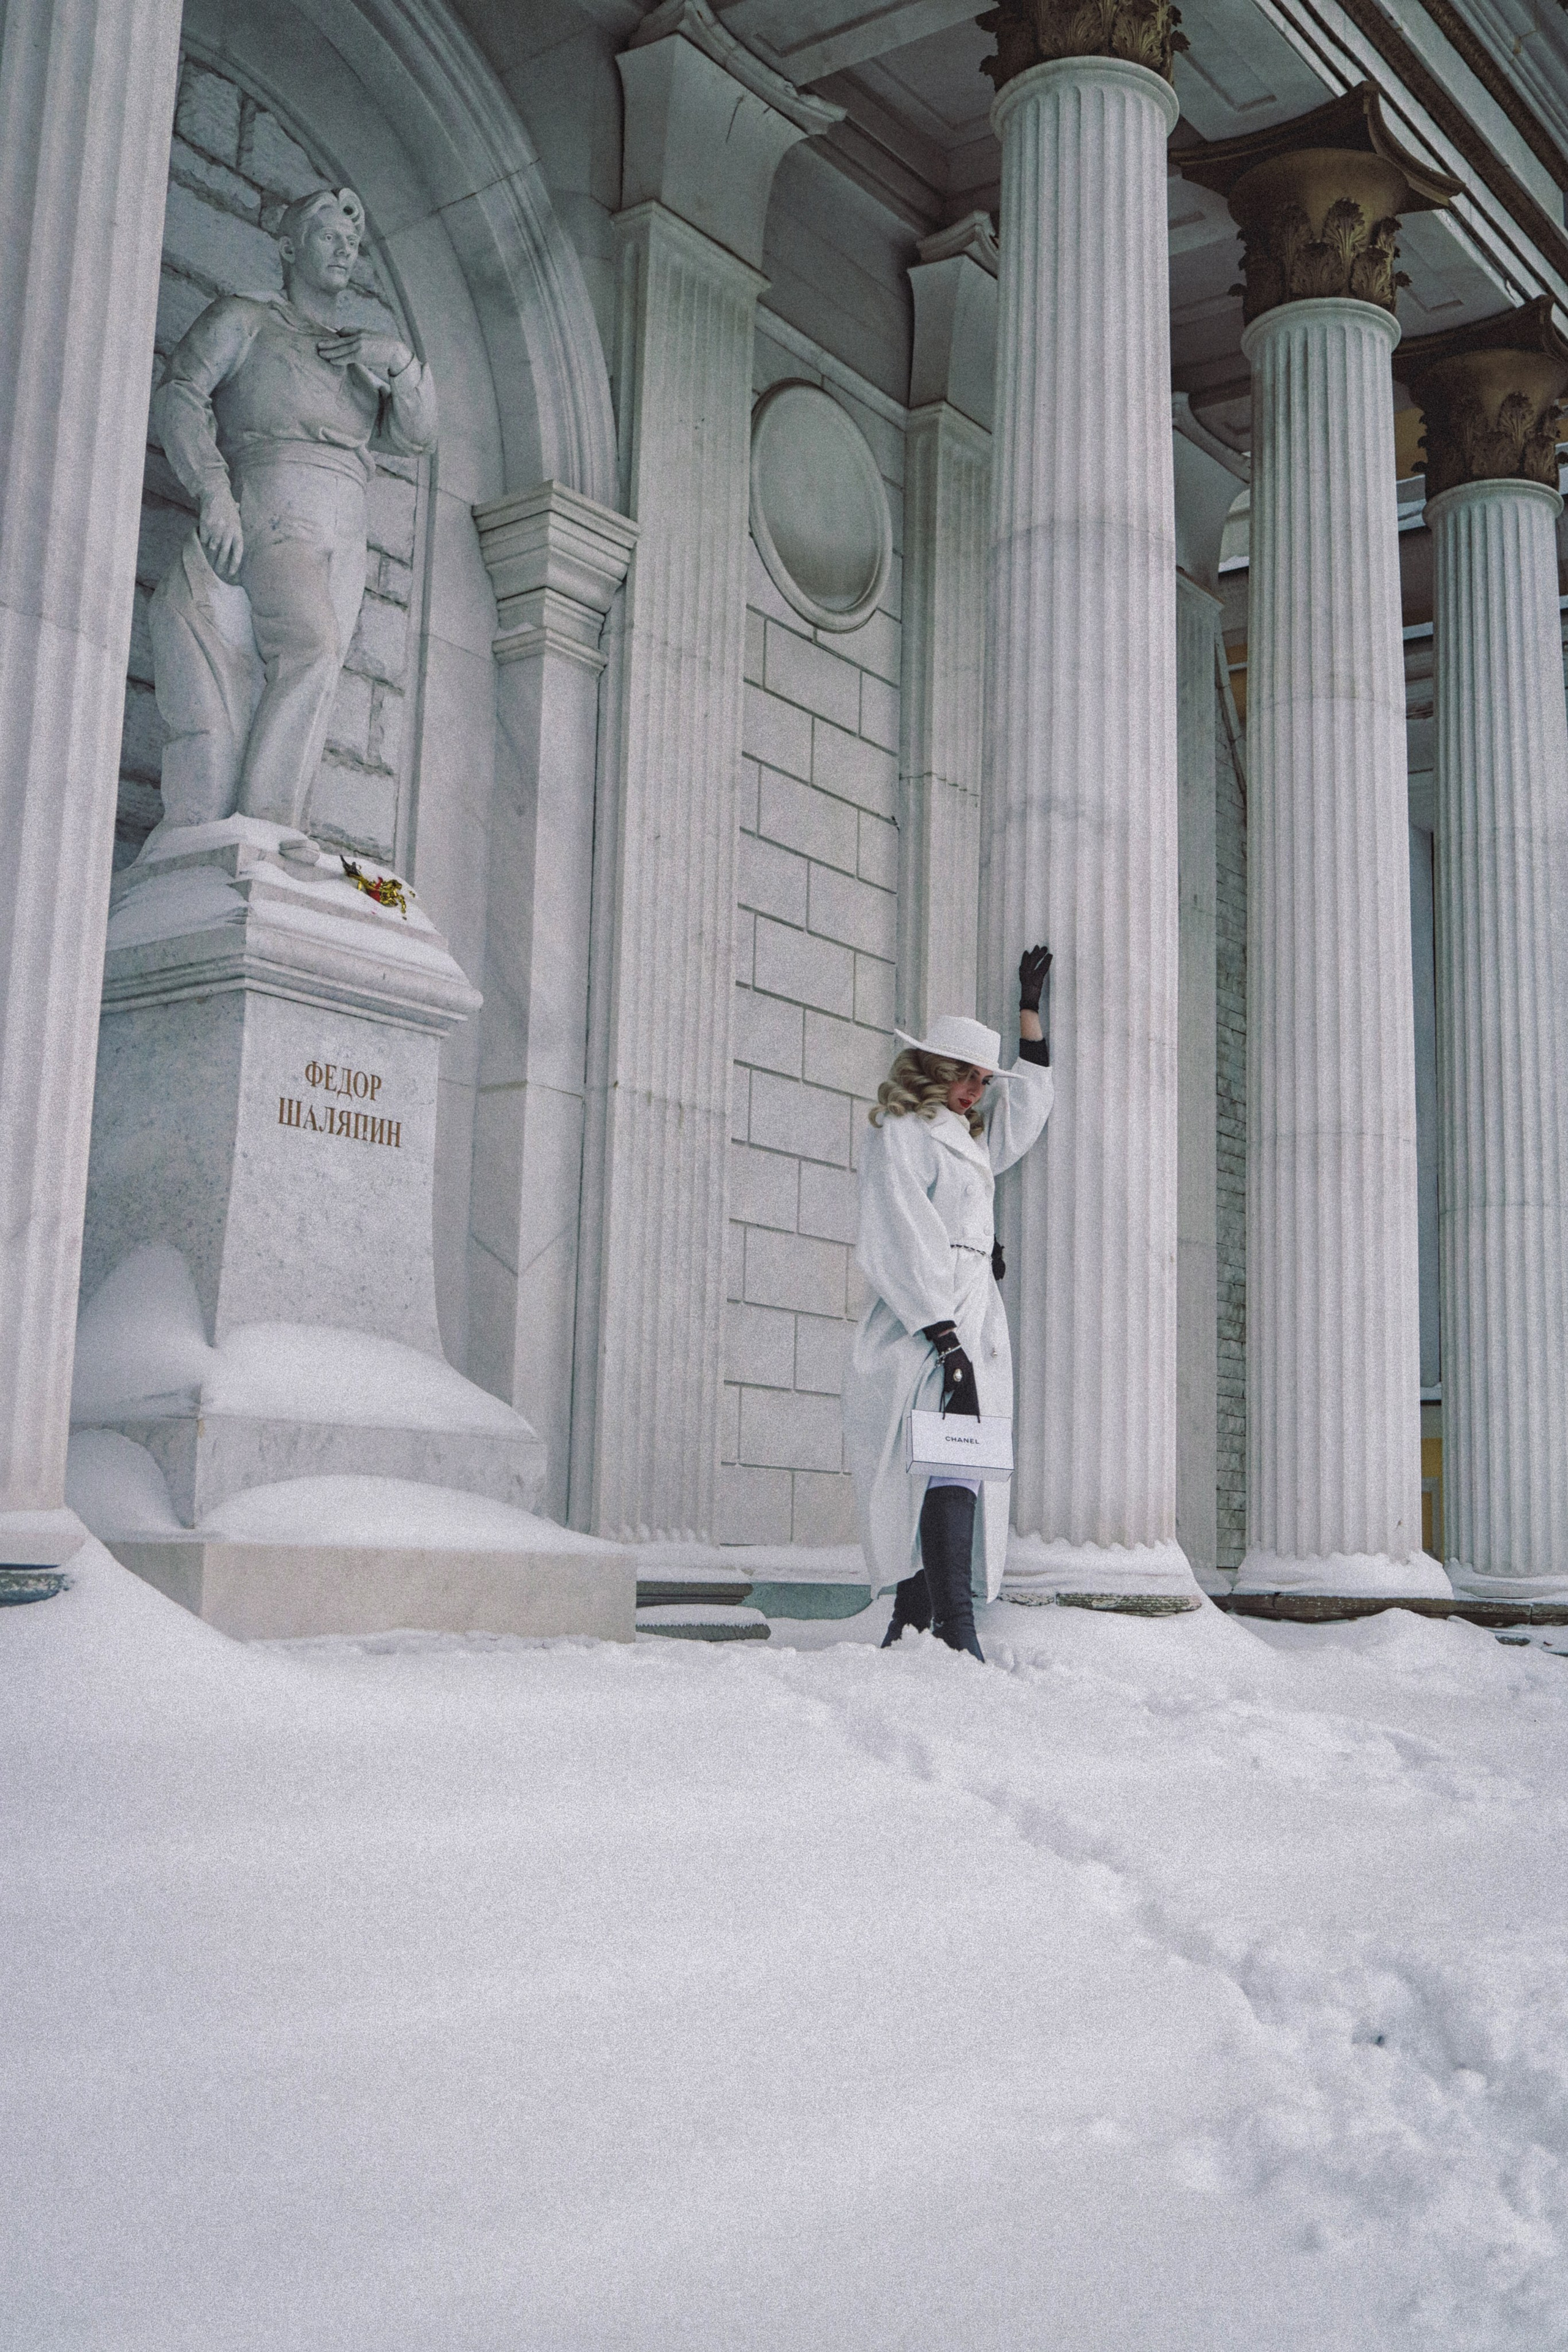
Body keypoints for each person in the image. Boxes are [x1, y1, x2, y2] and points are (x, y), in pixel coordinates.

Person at [149, 186, 438, 835]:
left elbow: (416, 436)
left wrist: (397, 360)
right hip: (276, 506)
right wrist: (213, 491)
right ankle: (267, 827)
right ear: (288, 247)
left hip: (345, 524)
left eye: (352, 244)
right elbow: (182, 393)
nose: (344, 251)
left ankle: (279, 825)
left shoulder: (358, 357)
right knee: (313, 645)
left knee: (322, 667)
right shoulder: (246, 319)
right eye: (328, 237)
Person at [843, 946, 1054, 1662]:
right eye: (964, 1074)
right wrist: (944, 1339)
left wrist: (1030, 1020)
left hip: (972, 1310)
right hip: (923, 1319)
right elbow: (899, 1232)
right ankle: (949, 1630)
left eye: (982, 1078)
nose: (975, 1089)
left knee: (958, 1461)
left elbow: (1025, 1114)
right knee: (933, 1462)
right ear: (932, 1069)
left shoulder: (967, 1139)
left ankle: (920, 1624)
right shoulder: (901, 1133)